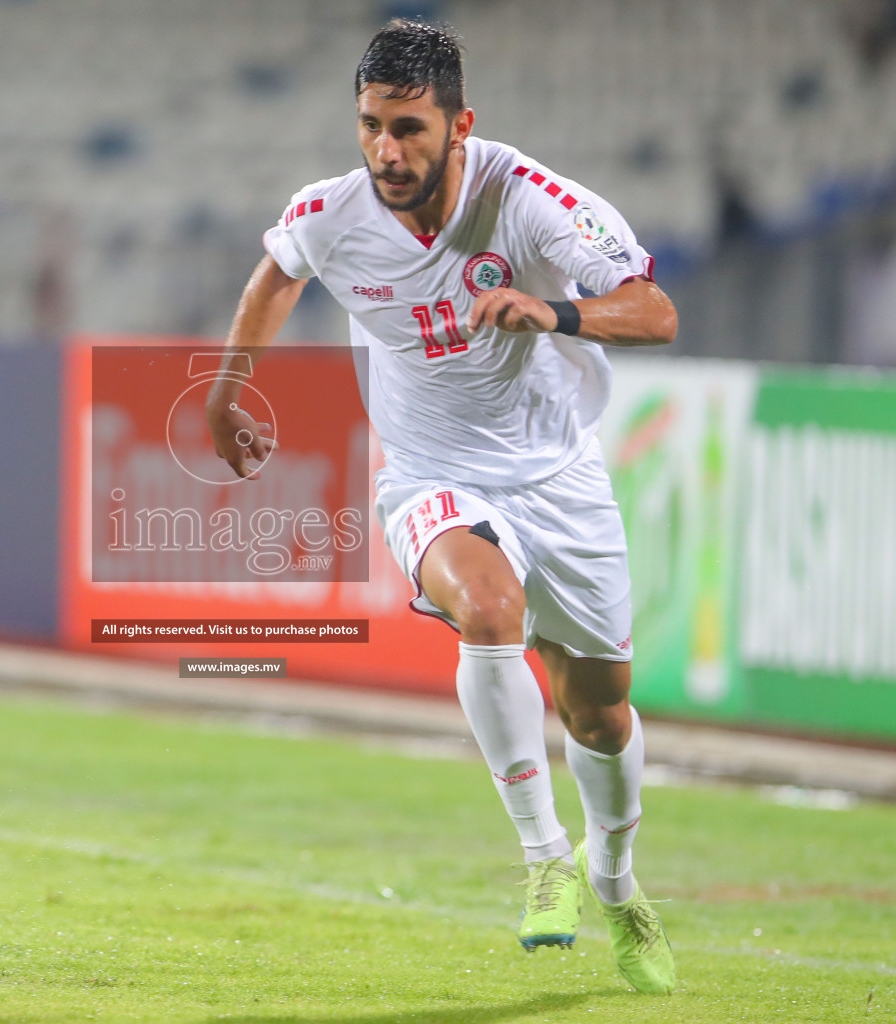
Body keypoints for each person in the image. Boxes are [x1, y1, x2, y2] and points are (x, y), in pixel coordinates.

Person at [204, 19, 679, 995]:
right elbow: (276, 274)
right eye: (372, 126)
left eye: (410, 129)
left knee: (601, 712)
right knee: (490, 611)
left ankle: (615, 877)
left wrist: (553, 310)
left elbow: (655, 312)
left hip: (559, 475)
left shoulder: (533, 201)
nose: (388, 150)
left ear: (462, 124)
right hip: (431, 474)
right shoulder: (332, 213)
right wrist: (227, 388)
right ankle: (544, 855)